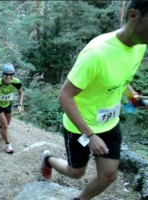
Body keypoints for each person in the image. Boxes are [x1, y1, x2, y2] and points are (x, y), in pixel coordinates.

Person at [40, 1, 148, 200]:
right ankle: (47, 159)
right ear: (133, 15)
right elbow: (64, 96)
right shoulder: (96, 53)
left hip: (109, 123)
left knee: (109, 175)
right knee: (76, 172)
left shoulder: (140, 45)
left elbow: (121, 80)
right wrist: (90, 135)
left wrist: (134, 99)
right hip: (80, 126)